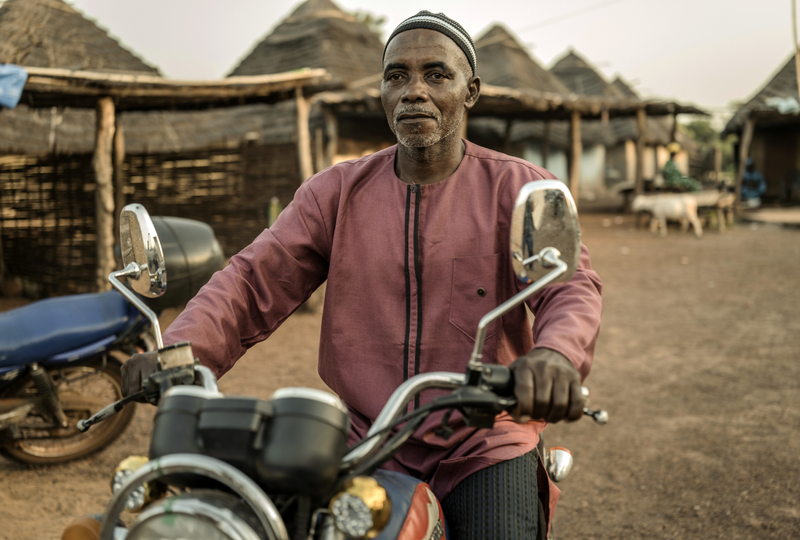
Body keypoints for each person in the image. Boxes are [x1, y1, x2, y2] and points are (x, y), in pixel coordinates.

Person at [121, 11, 602, 539]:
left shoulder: (519, 187)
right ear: (381, 92)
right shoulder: (336, 192)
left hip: (485, 437)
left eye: (436, 75)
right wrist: (182, 350)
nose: (414, 90)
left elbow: (570, 286)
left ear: (471, 90)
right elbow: (253, 278)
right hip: (366, 438)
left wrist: (554, 357)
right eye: (396, 76)